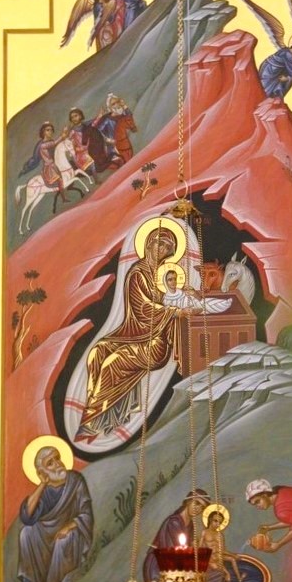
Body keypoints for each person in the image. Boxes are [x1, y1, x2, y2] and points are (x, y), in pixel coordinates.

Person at [75, 227, 193, 440]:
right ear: (148, 244)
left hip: (156, 342)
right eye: (159, 243)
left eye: (167, 247)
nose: (162, 249)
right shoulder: (138, 273)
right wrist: (172, 311)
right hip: (133, 333)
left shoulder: (168, 275)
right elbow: (142, 309)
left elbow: (178, 300)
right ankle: (105, 414)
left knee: (113, 363)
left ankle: (92, 420)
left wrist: (180, 303)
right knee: (97, 352)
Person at [109, 489, 211, 582]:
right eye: (196, 503)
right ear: (188, 501)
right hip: (157, 564)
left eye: (202, 507)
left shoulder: (190, 525)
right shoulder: (174, 521)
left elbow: (185, 550)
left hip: (173, 566)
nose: (198, 509)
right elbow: (176, 548)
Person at [12, 446, 93, 582]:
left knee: (62, 539)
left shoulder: (75, 481)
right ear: (42, 471)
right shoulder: (45, 490)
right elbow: (27, 517)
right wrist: (42, 484)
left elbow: (86, 514)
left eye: (57, 458)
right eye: (50, 463)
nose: (57, 464)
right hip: (48, 532)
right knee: (26, 533)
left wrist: (69, 526)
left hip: (73, 531)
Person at [200, 509, 245, 582]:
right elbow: (200, 547)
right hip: (210, 558)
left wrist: (234, 555)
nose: (217, 524)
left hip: (219, 556)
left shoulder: (220, 535)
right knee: (225, 574)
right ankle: (226, 574)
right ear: (210, 519)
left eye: (220, 523)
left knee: (232, 559)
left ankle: (239, 578)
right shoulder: (204, 532)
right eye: (215, 521)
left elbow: (223, 550)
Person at [162, 269, 231, 314]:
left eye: (175, 279)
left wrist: (194, 293)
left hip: (198, 304)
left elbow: (199, 299)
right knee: (209, 305)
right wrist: (183, 311)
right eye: (170, 280)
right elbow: (172, 314)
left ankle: (224, 303)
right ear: (165, 282)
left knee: (207, 302)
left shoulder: (182, 291)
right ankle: (224, 304)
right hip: (192, 310)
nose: (173, 282)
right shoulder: (166, 300)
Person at [66, 108, 96, 177]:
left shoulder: (85, 126)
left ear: (80, 116)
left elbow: (93, 122)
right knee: (92, 165)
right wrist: (76, 149)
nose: (74, 119)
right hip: (80, 153)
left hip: (88, 148)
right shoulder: (72, 131)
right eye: (72, 117)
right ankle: (96, 179)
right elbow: (69, 143)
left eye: (76, 116)